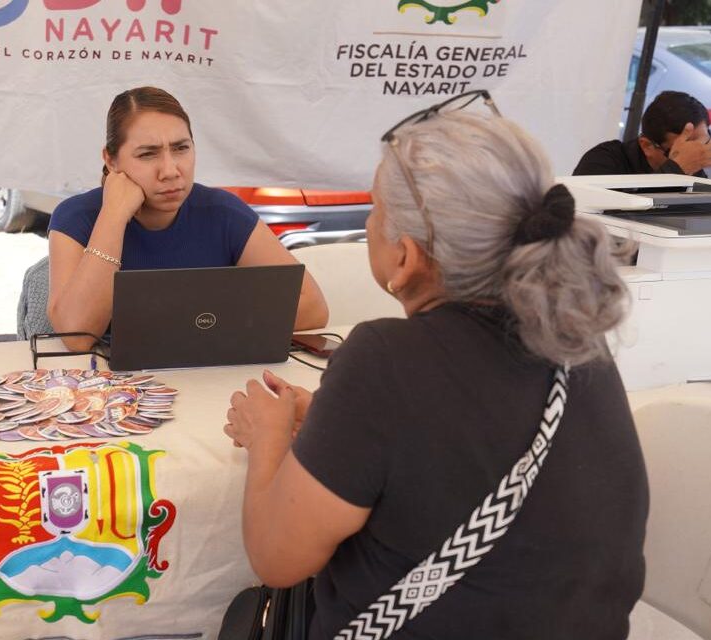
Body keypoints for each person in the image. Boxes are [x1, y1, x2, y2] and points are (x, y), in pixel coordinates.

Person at [225, 98, 649, 639]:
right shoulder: (579, 342)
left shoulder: (382, 359)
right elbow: (449, 448)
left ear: (405, 259)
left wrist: (268, 438)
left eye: (374, 210)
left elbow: (277, 558)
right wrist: (334, 425)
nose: (369, 222)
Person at [47, 86, 328, 350]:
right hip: (117, 392)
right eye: (148, 154)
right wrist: (113, 216)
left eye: (181, 148)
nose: (170, 170)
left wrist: (194, 325)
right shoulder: (77, 217)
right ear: (111, 161)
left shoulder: (222, 212)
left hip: (210, 381)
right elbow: (76, 336)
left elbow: (312, 308)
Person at [573, 90, 711, 177]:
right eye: (679, 152)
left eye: (703, 143)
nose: (695, 154)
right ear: (646, 146)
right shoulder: (602, 161)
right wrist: (676, 170)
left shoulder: (694, 168)